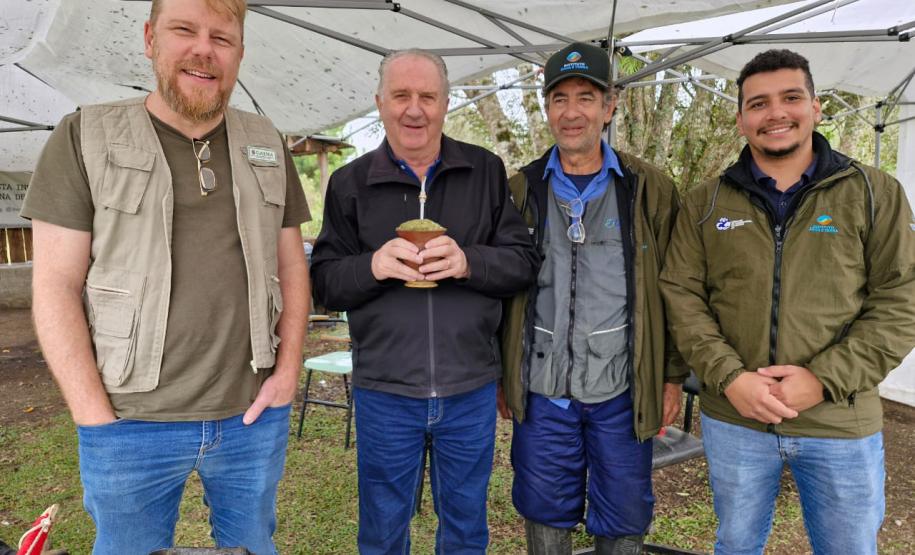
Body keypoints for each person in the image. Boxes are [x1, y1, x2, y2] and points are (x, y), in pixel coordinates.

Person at [20, 0, 311, 553]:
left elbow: (292, 265)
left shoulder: (266, 141)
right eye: (184, 30)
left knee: (253, 546)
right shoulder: (85, 136)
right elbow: (55, 285)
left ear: (240, 53)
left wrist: (287, 371)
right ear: (151, 38)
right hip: (129, 422)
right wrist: (93, 415)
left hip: (251, 415)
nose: (204, 49)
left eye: (222, 38)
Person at [660, 49, 915, 555]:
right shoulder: (705, 202)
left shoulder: (873, 191)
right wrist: (731, 378)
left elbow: (900, 299)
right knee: (735, 544)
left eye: (791, 97)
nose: (775, 113)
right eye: (758, 103)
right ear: (740, 120)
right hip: (735, 419)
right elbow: (682, 296)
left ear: (817, 107)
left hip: (840, 419)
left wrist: (822, 379)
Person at [310, 49, 539, 554]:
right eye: (401, 96)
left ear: (445, 103)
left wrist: (467, 262)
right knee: (383, 527)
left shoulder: (484, 171)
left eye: (427, 96)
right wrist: (370, 266)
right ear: (380, 103)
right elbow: (324, 282)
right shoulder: (350, 183)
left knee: (464, 526)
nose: (414, 109)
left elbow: (522, 262)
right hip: (385, 390)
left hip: (469, 388)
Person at [498, 41, 687, 554]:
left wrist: (670, 375)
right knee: (541, 505)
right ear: (547, 108)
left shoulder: (650, 189)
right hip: (542, 390)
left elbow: (677, 290)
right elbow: (502, 293)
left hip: (623, 390)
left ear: (610, 106)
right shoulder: (520, 190)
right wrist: (502, 372)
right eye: (560, 98)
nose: (572, 111)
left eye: (586, 97)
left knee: (624, 511)